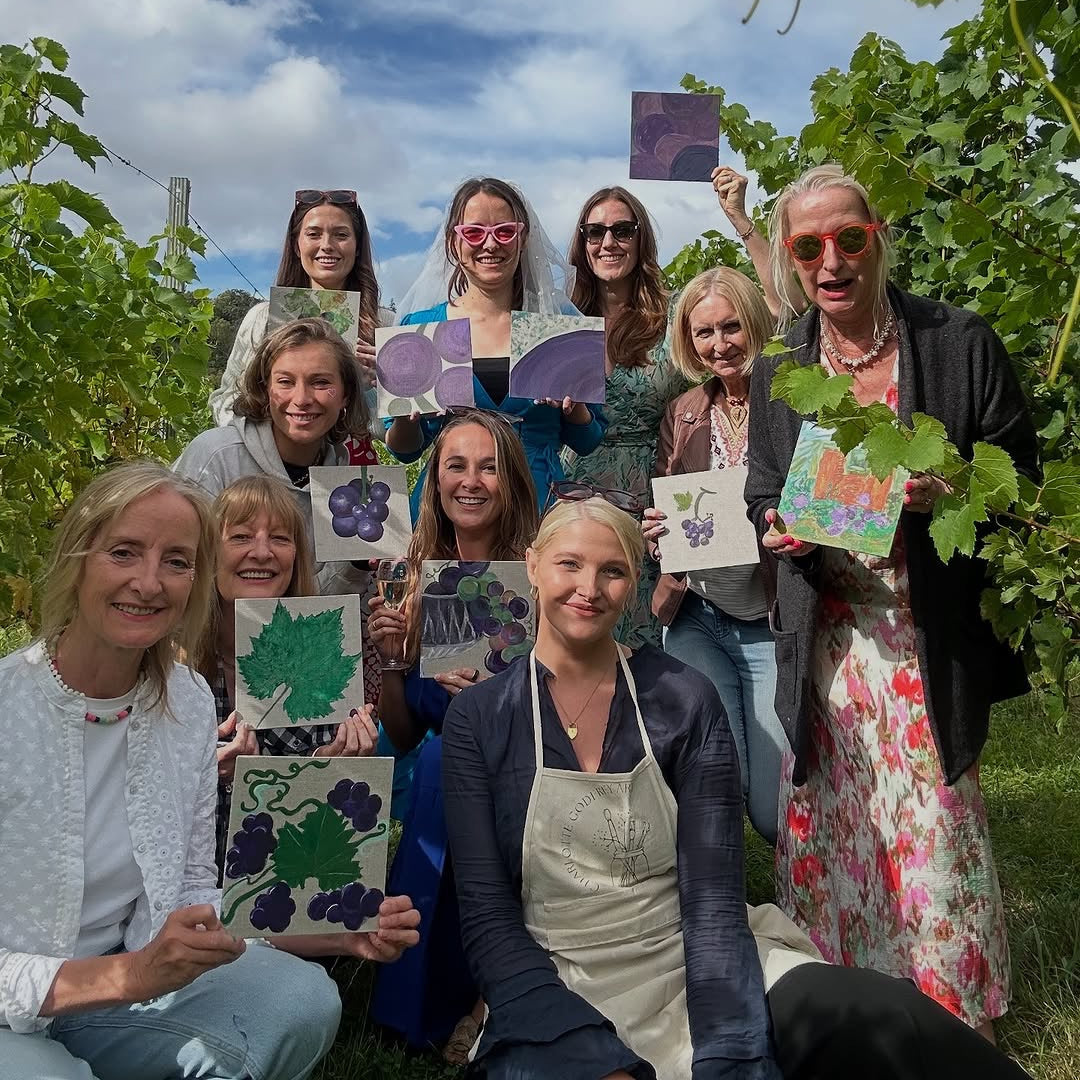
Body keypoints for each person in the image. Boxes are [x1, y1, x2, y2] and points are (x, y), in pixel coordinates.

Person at [440, 496, 1033, 1080]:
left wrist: (727, 1054)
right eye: (569, 564)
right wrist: (586, 1054)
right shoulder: (481, 718)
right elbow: (489, 920)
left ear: (636, 579)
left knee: (882, 1015)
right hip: (556, 979)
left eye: (612, 570)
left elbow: (713, 896)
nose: (589, 588)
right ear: (532, 564)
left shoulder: (682, 696)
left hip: (695, 954)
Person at [0, 462, 420, 1080]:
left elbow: (196, 891)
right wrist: (131, 975)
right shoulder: (10, 707)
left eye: (176, 560)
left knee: (302, 1000)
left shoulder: (187, 702)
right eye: (124, 552)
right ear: (78, 557)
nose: (149, 582)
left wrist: (336, 930)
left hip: (126, 985)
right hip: (23, 998)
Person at [745, 163, 1040, 1038]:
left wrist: (945, 491)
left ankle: (954, 1022)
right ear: (792, 261)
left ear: (878, 239)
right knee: (836, 832)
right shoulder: (782, 369)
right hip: (828, 643)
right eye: (808, 246)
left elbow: (1017, 476)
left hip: (923, 637)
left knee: (935, 834)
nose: (830, 261)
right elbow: (768, 483)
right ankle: (850, 1017)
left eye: (848, 238)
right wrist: (778, 522)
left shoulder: (957, 342)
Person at [368, 410, 539, 1060]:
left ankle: (463, 998)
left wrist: (497, 705)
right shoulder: (414, 573)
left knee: (449, 758)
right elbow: (404, 732)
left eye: (488, 466)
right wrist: (389, 663)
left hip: (526, 767)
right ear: (435, 480)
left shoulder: (540, 569)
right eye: (455, 465)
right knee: (439, 754)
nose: (471, 481)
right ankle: (423, 1000)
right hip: (441, 762)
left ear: (511, 478)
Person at [642, 267, 786, 845]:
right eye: (704, 332)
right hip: (697, 615)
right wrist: (657, 528)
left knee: (771, 809)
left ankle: (809, 905)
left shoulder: (788, 400)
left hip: (766, 620)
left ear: (755, 323)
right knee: (714, 782)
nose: (720, 344)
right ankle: (718, 907)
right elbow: (666, 495)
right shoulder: (684, 412)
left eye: (732, 327)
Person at [385, 177, 607, 517]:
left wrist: (574, 408)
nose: (490, 244)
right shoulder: (423, 327)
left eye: (504, 231)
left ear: (523, 239)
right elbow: (406, 451)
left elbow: (588, 442)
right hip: (452, 510)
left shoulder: (557, 322)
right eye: (474, 233)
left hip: (536, 502)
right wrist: (406, 417)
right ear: (453, 243)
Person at [205, 476, 380, 874]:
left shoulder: (321, 658)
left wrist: (333, 762)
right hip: (182, 901)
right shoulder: (174, 663)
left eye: (280, 539)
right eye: (241, 536)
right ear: (210, 555)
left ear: (296, 558)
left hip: (282, 896)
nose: (262, 552)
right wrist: (203, 773)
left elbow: (325, 828)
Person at [208, 188, 391, 456]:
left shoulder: (384, 324)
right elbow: (225, 402)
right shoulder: (262, 319)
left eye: (341, 235)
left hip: (348, 477)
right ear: (296, 245)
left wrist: (375, 390)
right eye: (314, 234)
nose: (327, 245)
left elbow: (396, 435)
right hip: (271, 469)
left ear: (357, 245)